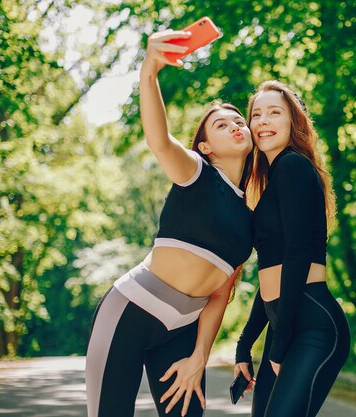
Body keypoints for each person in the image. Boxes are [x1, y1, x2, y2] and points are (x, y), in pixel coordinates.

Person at [85, 29, 254, 417]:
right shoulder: (197, 173)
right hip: (129, 311)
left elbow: (219, 296)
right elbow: (160, 141)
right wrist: (150, 72)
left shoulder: (251, 214)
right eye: (222, 124)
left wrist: (199, 357)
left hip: (181, 331)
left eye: (238, 120)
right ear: (206, 147)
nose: (235, 126)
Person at [233, 80, 350, 417]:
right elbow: (273, 274)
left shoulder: (293, 166)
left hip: (313, 327)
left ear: (293, 122)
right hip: (284, 326)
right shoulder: (273, 179)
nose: (263, 121)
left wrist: (280, 345)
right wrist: (245, 345)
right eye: (256, 114)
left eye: (274, 113)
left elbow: (298, 254)